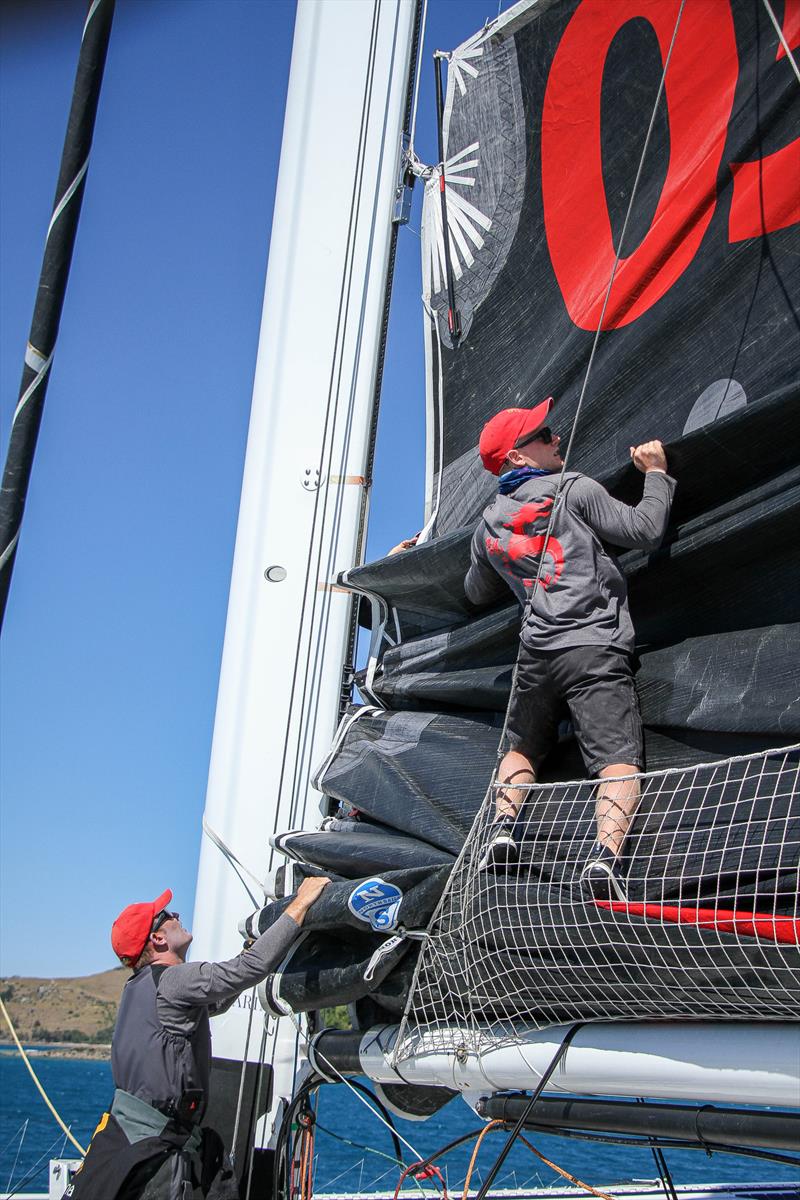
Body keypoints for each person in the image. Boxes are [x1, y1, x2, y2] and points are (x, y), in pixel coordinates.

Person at [465, 397, 675, 897]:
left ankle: (502, 830)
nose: (556, 438)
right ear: (518, 456)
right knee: (616, 757)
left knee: (520, 748)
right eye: (545, 434)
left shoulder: (489, 521)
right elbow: (643, 531)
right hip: (593, 646)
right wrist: (657, 474)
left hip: (535, 653)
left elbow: (474, 593)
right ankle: (604, 859)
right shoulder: (573, 487)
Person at [67, 876, 330, 1200]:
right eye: (168, 915)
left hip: (139, 1137)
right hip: (160, 1144)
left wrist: (254, 948)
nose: (176, 914)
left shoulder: (137, 988)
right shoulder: (175, 979)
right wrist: (301, 903)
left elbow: (219, 996)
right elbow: (248, 969)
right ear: (158, 938)